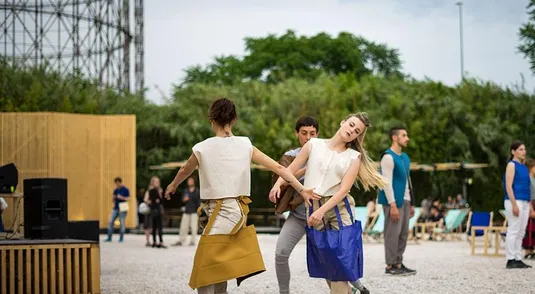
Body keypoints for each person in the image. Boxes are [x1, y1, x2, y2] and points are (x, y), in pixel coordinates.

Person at [164, 98, 316, 294]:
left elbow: (185, 170)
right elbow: (278, 168)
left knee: (204, 266)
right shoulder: (245, 144)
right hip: (234, 212)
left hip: (224, 212)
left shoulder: (201, 147)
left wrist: (173, 185)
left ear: (211, 119)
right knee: (217, 265)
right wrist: (302, 189)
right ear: (234, 120)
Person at [271, 112, 387, 294]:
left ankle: (355, 287)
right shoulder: (313, 145)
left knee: (339, 261)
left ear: (358, 136)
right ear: (343, 122)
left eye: (356, 131)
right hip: (311, 209)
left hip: (338, 209)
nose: (351, 131)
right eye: (351, 125)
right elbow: (291, 169)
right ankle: (353, 289)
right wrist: (278, 184)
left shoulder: (353, 157)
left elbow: (343, 191)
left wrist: (320, 211)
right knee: (327, 261)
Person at [377, 127, 417, 276]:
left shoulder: (405, 157)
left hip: (405, 199)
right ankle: (390, 265)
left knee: (403, 234)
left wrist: (412, 202)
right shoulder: (388, 157)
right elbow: (386, 182)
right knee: (392, 233)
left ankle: (398, 262)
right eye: (404, 135)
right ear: (395, 138)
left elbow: (408, 181)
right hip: (392, 201)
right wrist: (392, 204)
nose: (407, 138)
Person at [503, 141, 532, 268]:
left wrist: (529, 205)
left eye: (524, 149)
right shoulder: (511, 165)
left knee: (521, 231)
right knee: (513, 230)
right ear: (513, 151)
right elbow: (508, 186)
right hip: (514, 201)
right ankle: (510, 259)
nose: (523, 152)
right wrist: (514, 204)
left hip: (525, 201)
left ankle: (517, 257)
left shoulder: (524, 167)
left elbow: (527, 186)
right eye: (520, 149)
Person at [173, 176, 201, 246]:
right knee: (183, 227)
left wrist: (199, 211)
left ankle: (192, 241)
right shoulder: (186, 191)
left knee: (194, 227)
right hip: (186, 211)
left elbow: (198, 202)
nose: (190, 182)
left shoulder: (197, 191)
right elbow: (182, 201)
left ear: (194, 182)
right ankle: (181, 240)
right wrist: (184, 200)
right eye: (189, 181)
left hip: (194, 211)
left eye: (191, 181)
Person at [145, 176, 167, 248]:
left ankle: (160, 241)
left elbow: (161, 201)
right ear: (152, 182)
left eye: (158, 182)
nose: (157, 183)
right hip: (153, 210)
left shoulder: (159, 190)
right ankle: (155, 241)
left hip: (158, 210)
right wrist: (156, 199)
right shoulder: (151, 190)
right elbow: (152, 200)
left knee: (159, 227)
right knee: (154, 226)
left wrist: (159, 195)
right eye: (156, 182)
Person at [522, 158, 535, 259]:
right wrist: (531, 207)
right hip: (530, 203)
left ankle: (532, 249)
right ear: (530, 168)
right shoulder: (527, 179)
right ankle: (527, 250)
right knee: (529, 228)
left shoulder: (533, 179)